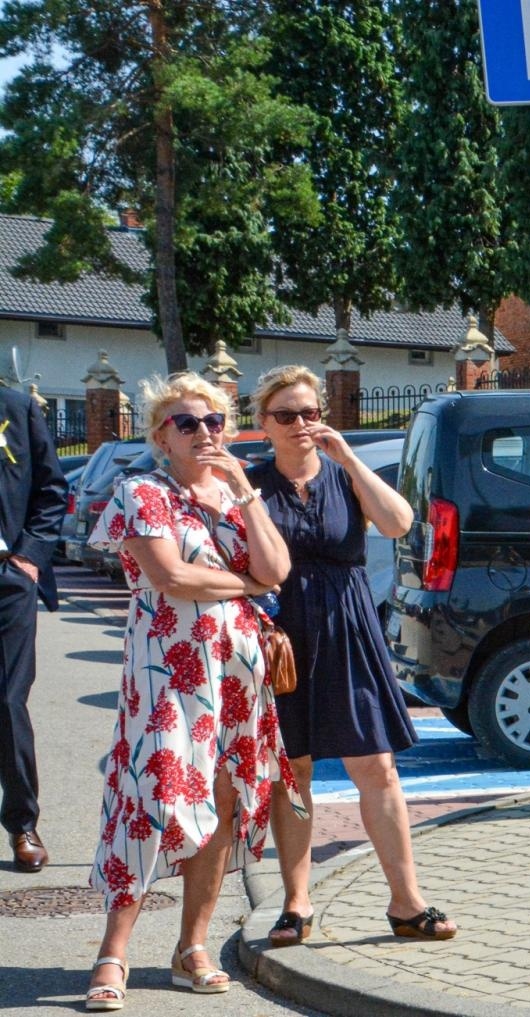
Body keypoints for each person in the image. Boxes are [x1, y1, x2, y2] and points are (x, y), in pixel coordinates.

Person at [83, 372, 303, 1010]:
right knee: (150, 800)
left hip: (236, 673)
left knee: (222, 801)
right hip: (166, 675)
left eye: (213, 422)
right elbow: (172, 577)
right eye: (187, 423)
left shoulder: (238, 495)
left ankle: (192, 948)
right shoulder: (140, 491)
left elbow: (279, 568)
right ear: (162, 435)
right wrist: (247, 584)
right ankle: (112, 952)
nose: (204, 433)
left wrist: (243, 495)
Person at [250, 366, 456, 946]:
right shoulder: (253, 483)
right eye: (286, 415)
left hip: (349, 628)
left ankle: (406, 902)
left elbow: (399, 522)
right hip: (283, 635)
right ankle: (295, 902)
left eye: (310, 413)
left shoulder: (344, 475)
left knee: (378, 768)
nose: (301, 425)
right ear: (264, 423)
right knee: (293, 773)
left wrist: (350, 460)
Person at [0, 384, 66, 873]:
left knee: (6, 700)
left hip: (6, 576)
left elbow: (51, 488)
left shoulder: (16, 407)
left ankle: (22, 823)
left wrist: (28, 556)